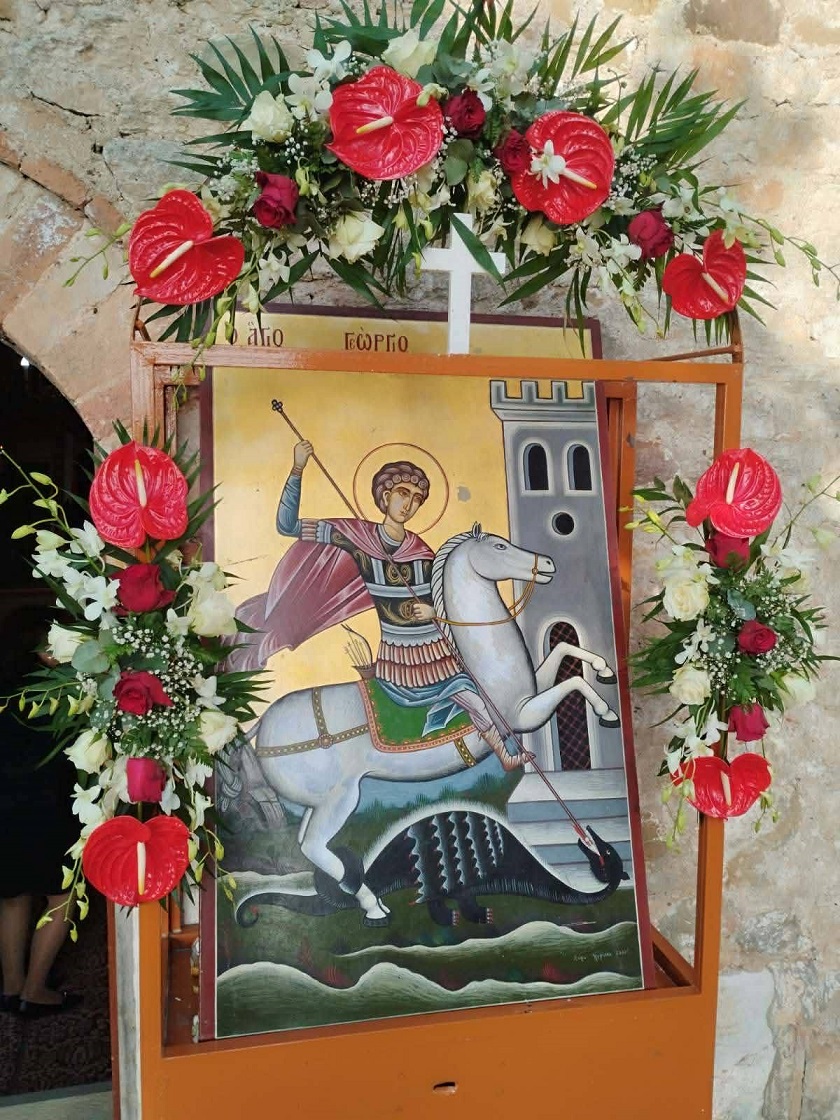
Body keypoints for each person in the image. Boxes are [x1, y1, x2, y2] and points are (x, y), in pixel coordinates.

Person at [231, 442, 528, 770]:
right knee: (435, 709)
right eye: (403, 494)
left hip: (436, 654)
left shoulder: (422, 552)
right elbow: (287, 526)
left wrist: (434, 612)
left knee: (478, 702)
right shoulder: (357, 539)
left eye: (417, 499)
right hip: (398, 658)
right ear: (385, 496)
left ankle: (504, 756)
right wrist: (298, 469)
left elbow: (446, 601)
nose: (409, 504)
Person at [0, 605, 82, 1017]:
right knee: (62, 896)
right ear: (44, 650)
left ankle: (11, 987)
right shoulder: (61, 691)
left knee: (12, 897)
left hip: (5, 807)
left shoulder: (5, 691)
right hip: (50, 806)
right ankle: (35, 990)